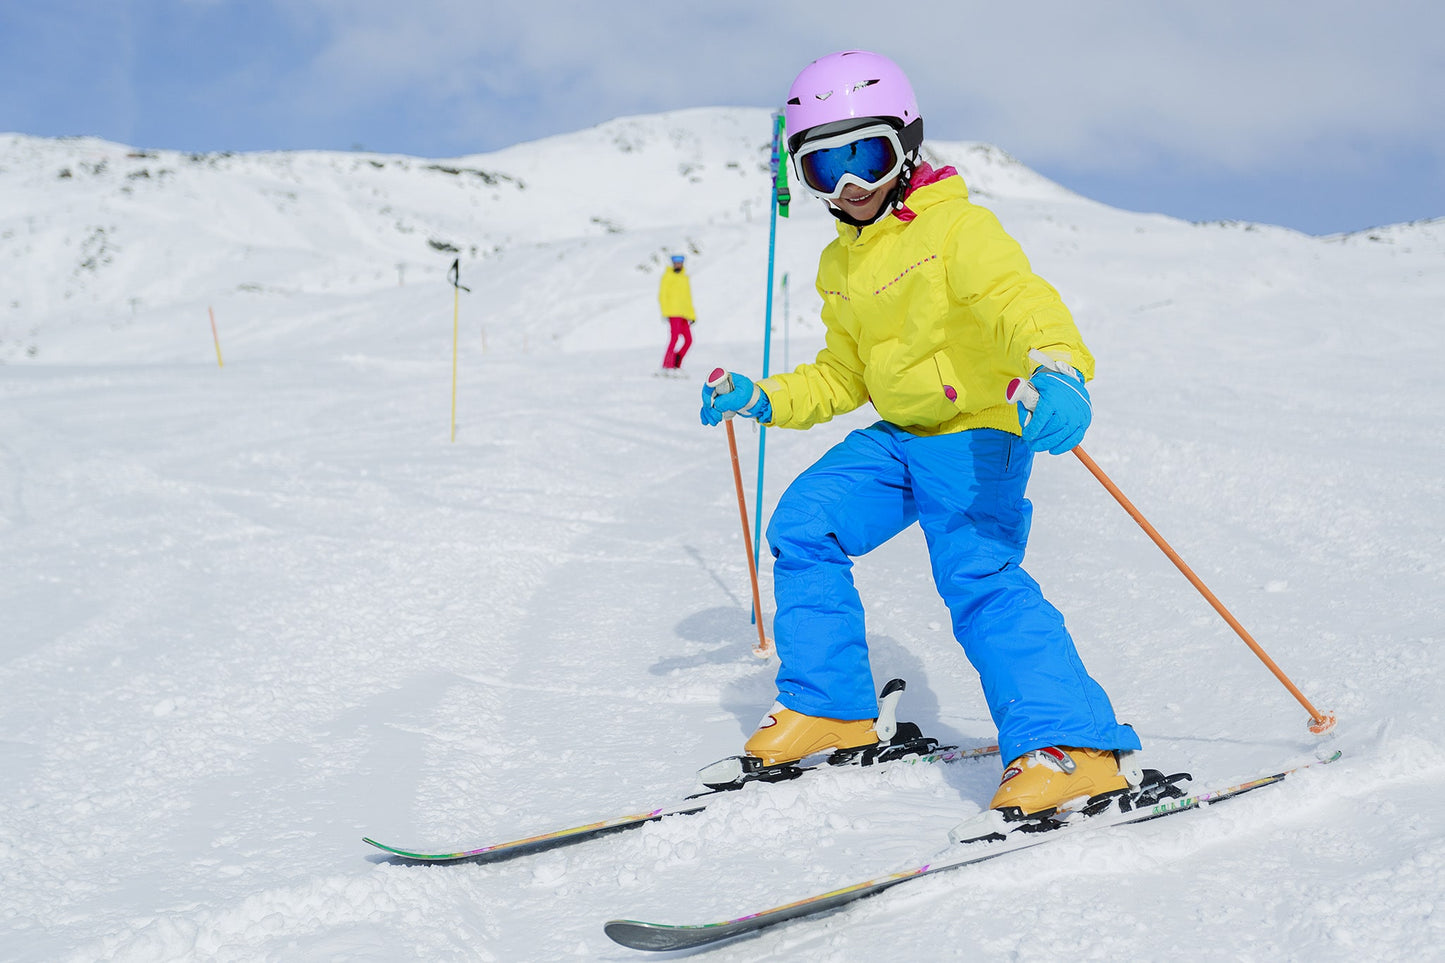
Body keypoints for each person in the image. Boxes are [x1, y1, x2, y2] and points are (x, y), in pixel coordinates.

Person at [700, 50, 1141, 823]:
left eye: (864, 155)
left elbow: (1015, 300)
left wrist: (1058, 366)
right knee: (803, 524)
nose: (850, 185)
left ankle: (1069, 744)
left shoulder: (958, 228)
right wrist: (760, 396)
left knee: (977, 577)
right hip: (899, 436)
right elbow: (842, 376)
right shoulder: (839, 264)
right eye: (822, 166)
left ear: (906, 144)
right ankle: (829, 704)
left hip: (974, 435)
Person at [658, 254, 695, 373]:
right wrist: (665, 312)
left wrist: (692, 315)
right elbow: (662, 295)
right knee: (674, 339)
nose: (678, 264)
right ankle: (667, 365)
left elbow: (688, 298)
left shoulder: (684, 278)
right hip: (673, 313)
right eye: (676, 262)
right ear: (673, 263)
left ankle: (676, 363)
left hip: (685, 314)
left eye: (680, 262)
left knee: (689, 340)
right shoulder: (667, 277)